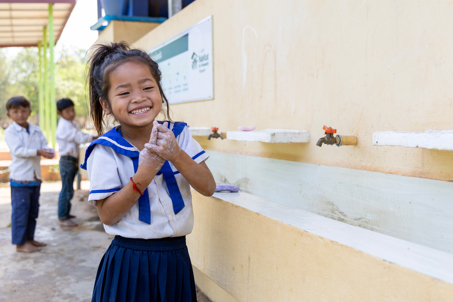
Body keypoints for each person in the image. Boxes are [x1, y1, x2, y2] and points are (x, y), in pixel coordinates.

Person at [81, 42, 216, 301]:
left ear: (159, 91)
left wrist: (175, 154)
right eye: (124, 93)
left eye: (147, 87)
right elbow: (108, 215)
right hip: (130, 261)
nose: (139, 98)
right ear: (106, 104)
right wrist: (145, 172)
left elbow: (208, 187)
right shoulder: (105, 151)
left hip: (176, 257)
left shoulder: (178, 136)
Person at [4, 96, 54, 253]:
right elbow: (17, 151)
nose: (20, 114)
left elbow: (44, 145)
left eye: (23, 111)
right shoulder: (11, 132)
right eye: (15, 111)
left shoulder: (36, 130)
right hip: (20, 180)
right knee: (20, 212)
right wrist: (39, 152)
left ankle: (30, 239)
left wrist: (48, 152)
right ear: (9, 114)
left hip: (34, 178)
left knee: (32, 212)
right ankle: (20, 243)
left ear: (29, 112)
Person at [56, 98, 96, 227]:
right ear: (59, 113)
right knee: (67, 190)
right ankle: (62, 217)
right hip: (66, 160)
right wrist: (96, 137)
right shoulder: (64, 125)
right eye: (67, 111)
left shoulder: (71, 123)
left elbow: (79, 134)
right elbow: (79, 137)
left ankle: (65, 213)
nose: (72, 113)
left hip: (71, 160)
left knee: (69, 190)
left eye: (72, 110)